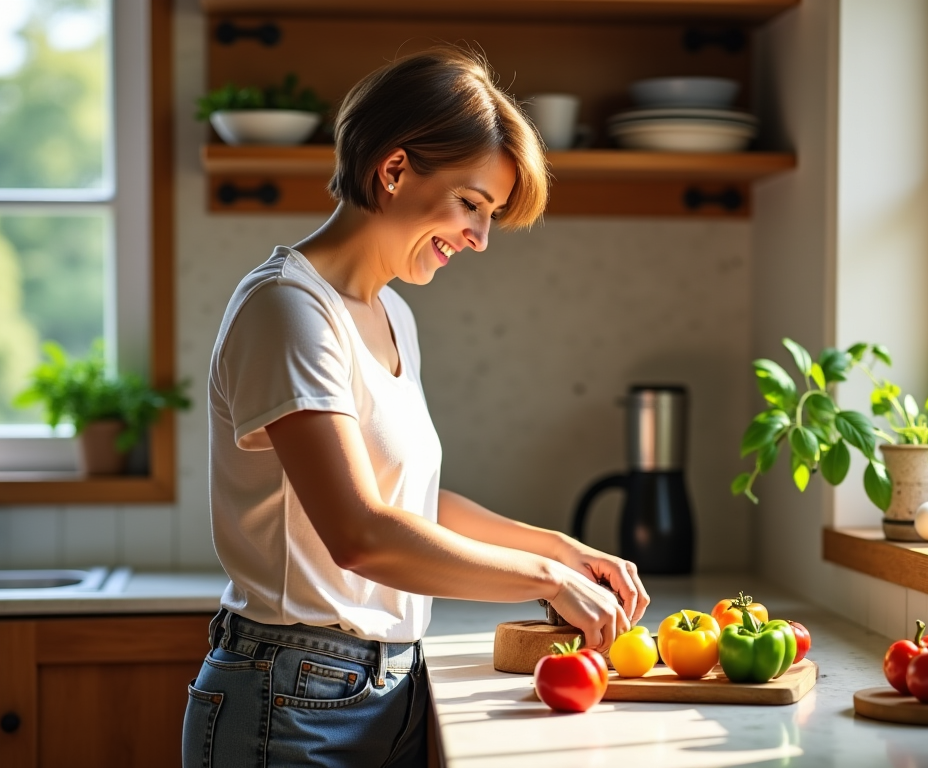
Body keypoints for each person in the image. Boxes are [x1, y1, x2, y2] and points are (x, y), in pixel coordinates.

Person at [182, 48, 651, 768]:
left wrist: (558, 548)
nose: (480, 237)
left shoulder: (391, 313)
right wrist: (545, 581)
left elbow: (410, 503)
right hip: (290, 696)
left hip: (387, 687)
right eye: (471, 203)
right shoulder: (287, 309)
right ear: (394, 169)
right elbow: (360, 533)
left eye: (489, 214)